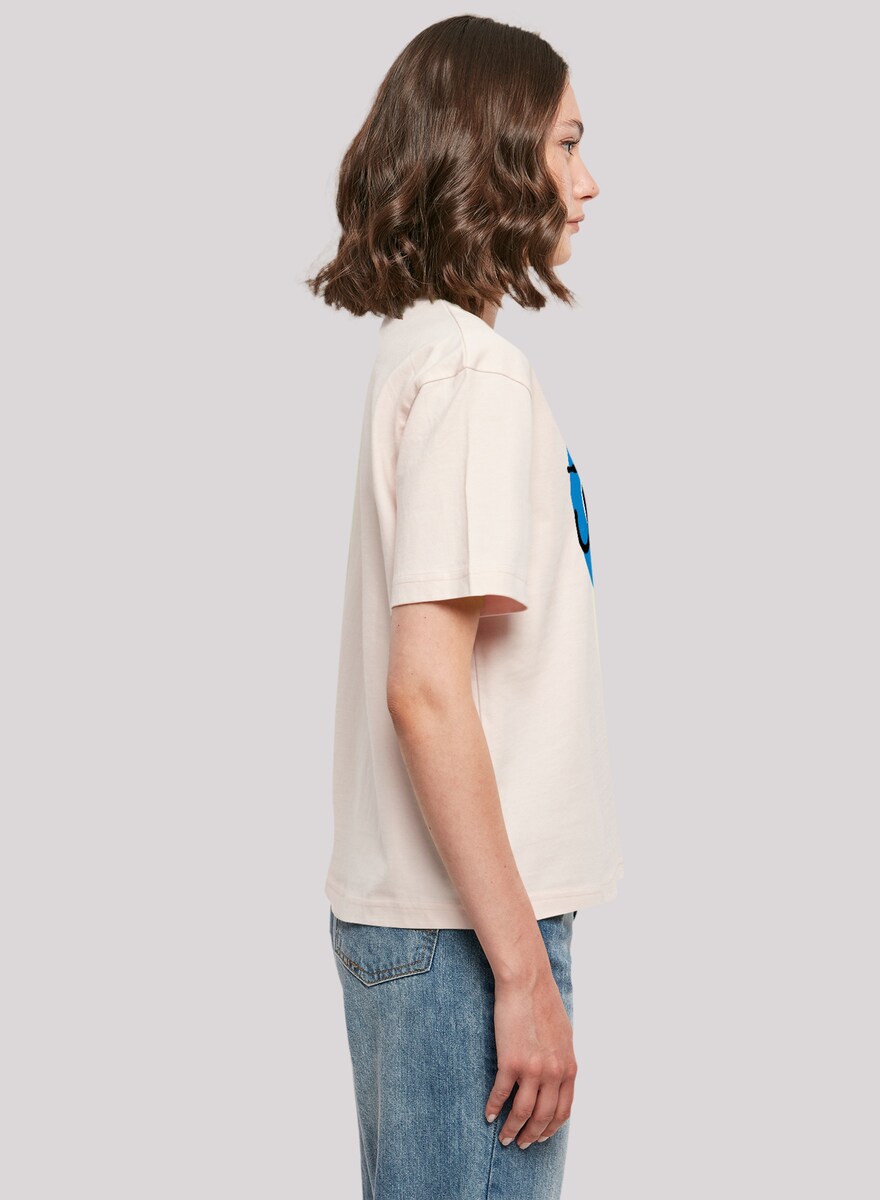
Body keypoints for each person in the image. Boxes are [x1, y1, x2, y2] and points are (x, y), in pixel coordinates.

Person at [306, 15, 625, 1199]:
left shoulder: (422, 354)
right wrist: (522, 974)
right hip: (468, 941)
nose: (589, 183)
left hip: (433, 928)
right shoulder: (474, 376)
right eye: (566, 145)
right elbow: (427, 693)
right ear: (494, 153)